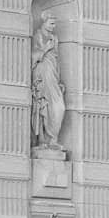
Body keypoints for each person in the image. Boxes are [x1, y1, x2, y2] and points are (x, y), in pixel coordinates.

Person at [30, 11, 66, 148]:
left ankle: (53, 139)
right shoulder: (38, 36)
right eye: (51, 23)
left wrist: (59, 80)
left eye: (54, 24)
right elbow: (33, 57)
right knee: (42, 105)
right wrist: (46, 48)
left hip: (53, 76)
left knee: (60, 107)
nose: (53, 26)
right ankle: (43, 140)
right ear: (44, 22)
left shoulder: (54, 38)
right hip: (42, 74)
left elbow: (57, 60)